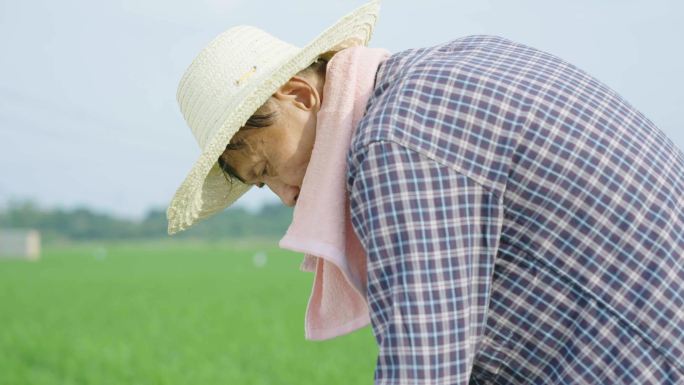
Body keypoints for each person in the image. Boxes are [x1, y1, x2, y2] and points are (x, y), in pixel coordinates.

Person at [166, 0, 684, 383]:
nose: (283, 195)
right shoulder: (444, 71)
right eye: (261, 184)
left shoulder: (393, 144)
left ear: (302, 94)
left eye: (267, 165)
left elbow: (424, 365)